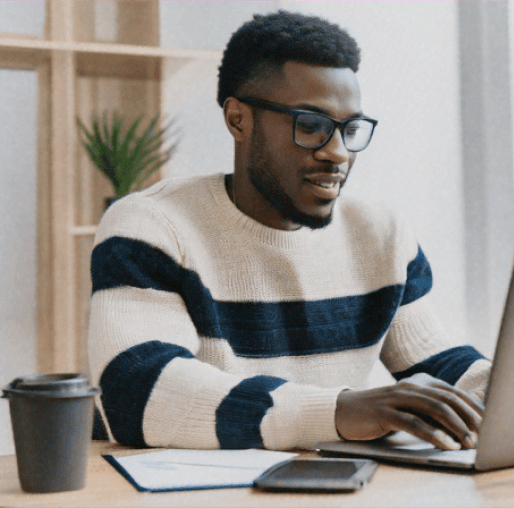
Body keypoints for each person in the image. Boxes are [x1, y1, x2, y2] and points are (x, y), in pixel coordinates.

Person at [88, 10, 491, 451]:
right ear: (238, 119)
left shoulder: (381, 234)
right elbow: (138, 393)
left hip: (336, 491)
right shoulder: (152, 226)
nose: (337, 153)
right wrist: (340, 412)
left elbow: (444, 367)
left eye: (349, 129)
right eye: (311, 126)